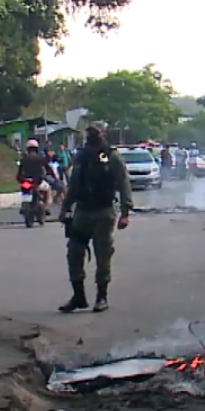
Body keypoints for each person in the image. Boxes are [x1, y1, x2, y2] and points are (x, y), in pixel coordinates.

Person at [58, 123, 133, 313]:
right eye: (89, 133)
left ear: (103, 135)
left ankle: (102, 296)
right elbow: (74, 185)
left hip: (103, 212)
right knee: (74, 254)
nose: (91, 136)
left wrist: (125, 213)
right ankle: (78, 296)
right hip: (82, 212)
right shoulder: (81, 157)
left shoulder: (112, 157)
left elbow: (124, 184)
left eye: (95, 133)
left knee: (103, 255)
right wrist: (65, 208)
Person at [17, 139, 55, 210]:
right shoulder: (40, 158)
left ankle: (24, 206)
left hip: (26, 183)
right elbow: (49, 169)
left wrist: (21, 180)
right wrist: (54, 177)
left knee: (25, 191)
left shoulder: (23, 160)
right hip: (38, 182)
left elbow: (19, 174)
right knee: (48, 189)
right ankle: (46, 207)